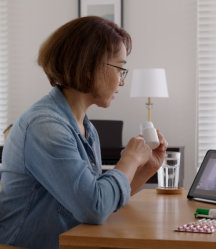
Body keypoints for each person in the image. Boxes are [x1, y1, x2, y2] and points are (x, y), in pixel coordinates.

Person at [0, 16, 167, 249]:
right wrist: (129, 160)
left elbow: (103, 198)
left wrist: (149, 166)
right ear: (89, 65)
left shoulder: (86, 127)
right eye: (120, 68)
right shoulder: (45, 127)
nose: (121, 82)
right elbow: (94, 207)